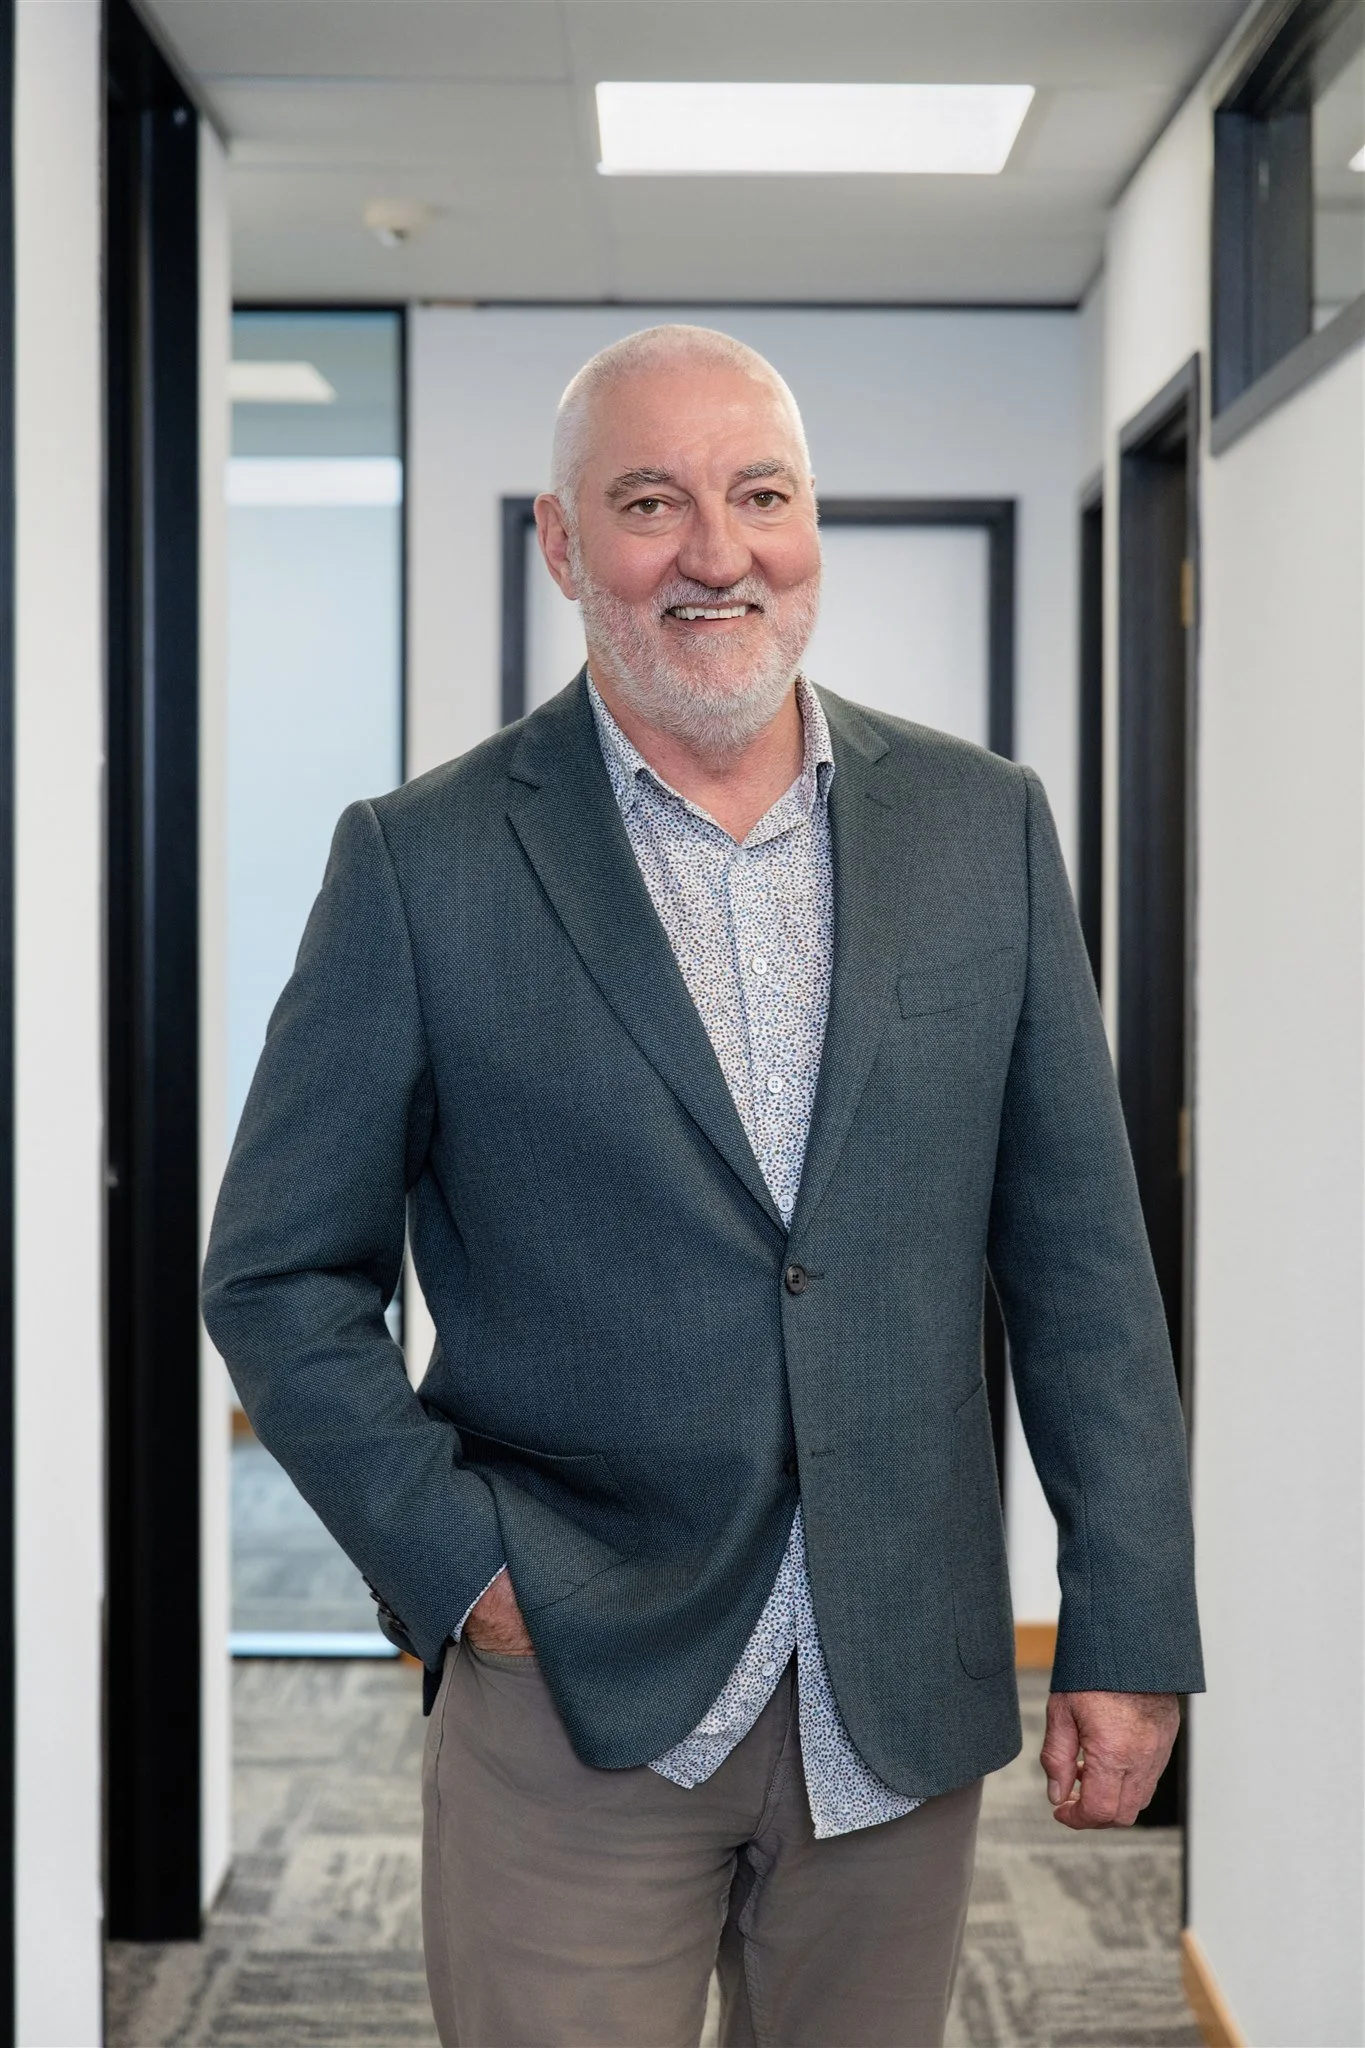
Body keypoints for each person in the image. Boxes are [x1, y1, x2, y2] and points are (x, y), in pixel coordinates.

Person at [203, 324, 1203, 2048]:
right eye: (651, 501)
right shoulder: (423, 863)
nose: (717, 552)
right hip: (573, 1689)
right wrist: (460, 1566)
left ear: (813, 525)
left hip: (896, 1679)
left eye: (763, 495)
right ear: (563, 541)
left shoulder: (983, 827)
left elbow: (1085, 1270)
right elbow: (278, 1275)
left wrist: (1126, 1619)